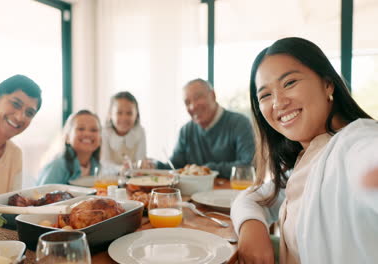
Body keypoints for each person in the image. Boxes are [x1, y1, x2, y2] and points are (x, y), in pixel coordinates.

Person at [231, 37, 378, 264]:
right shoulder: (309, 161)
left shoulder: (353, 144)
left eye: (289, 83)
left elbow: (368, 155)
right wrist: (251, 226)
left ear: (327, 83)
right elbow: (252, 197)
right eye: (265, 95)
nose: (278, 102)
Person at [157, 78, 255, 179]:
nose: (193, 106)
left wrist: (209, 169)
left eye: (198, 98)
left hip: (232, 192)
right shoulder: (186, 131)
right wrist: (155, 165)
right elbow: (175, 166)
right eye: (187, 102)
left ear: (213, 95)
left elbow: (249, 165)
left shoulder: (239, 123)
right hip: (194, 194)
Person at [36, 110, 101, 185]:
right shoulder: (58, 165)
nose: (87, 134)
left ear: (100, 138)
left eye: (94, 130)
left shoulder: (96, 166)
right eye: (81, 129)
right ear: (67, 137)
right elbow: (41, 194)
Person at [101, 91, 147, 170]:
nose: (124, 118)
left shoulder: (140, 132)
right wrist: (120, 169)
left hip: (134, 177)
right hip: (109, 179)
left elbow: (141, 160)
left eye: (129, 113)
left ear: (136, 115)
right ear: (110, 114)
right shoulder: (104, 133)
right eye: (119, 113)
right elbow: (104, 163)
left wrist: (140, 165)